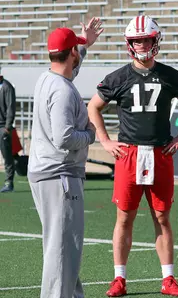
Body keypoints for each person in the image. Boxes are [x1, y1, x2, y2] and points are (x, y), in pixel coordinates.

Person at [87, 15, 178, 297]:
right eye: (137, 40)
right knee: (124, 217)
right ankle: (119, 278)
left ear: (156, 40)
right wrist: (104, 140)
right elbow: (93, 107)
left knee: (162, 217)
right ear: (129, 44)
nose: (141, 45)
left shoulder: (170, 75)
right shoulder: (118, 77)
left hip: (160, 152)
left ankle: (168, 278)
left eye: (146, 39)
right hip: (129, 153)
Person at [28, 18, 103, 298]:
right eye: (77, 49)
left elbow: (69, 70)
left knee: (64, 252)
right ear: (71, 52)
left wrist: (83, 46)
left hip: (49, 174)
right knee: (62, 252)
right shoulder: (61, 90)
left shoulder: (48, 77)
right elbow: (64, 138)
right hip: (59, 177)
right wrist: (90, 134)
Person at [0, 74, 16, 192]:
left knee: (7, 155)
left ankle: (9, 182)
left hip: (3, 127)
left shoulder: (7, 87)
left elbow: (11, 107)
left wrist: (7, 127)